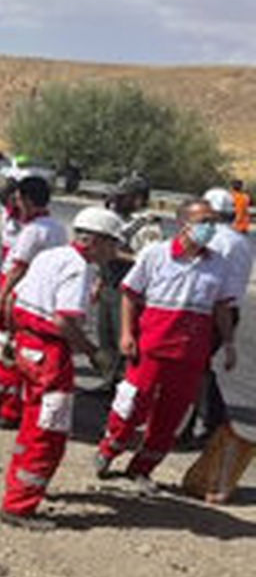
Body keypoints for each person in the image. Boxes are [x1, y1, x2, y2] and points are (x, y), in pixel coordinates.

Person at [95, 199, 238, 493]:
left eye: (214, 222)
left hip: (190, 354)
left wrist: (229, 343)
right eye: (205, 222)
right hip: (151, 347)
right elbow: (130, 295)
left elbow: (222, 308)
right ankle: (110, 450)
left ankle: (142, 469)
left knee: (171, 417)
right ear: (184, 224)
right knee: (132, 404)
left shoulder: (219, 264)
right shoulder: (155, 255)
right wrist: (126, 334)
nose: (211, 228)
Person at [0, 207, 121, 530]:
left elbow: (13, 299)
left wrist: (12, 339)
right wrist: (93, 352)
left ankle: (20, 487)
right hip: (49, 357)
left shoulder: (50, 256)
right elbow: (63, 320)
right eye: (111, 243)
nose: (114, 251)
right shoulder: (79, 268)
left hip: (27, 346)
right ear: (94, 241)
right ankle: (19, 506)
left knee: (31, 423)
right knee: (48, 431)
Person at [0, 176, 68, 428]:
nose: (16, 203)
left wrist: (0, 301)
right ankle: (13, 402)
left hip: (17, 295)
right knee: (23, 351)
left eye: (19, 198)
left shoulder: (34, 231)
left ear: (28, 200)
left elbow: (17, 269)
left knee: (6, 352)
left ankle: (9, 410)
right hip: (36, 297)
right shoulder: (57, 227)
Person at [194, 187, 254, 438]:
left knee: (196, 367)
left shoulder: (216, 239)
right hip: (230, 309)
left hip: (214, 310)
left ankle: (213, 420)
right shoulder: (241, 240)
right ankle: (212, 420)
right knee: (199, 366)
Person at [96, 175, 163, 387]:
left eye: (122, 197)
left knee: (122, 338)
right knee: (105, 337)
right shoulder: (119, 221)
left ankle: (127, 386)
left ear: (137, 199)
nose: (116, 201)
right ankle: (109, 381)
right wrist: (99, 280)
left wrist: (117, 255)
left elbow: (149, 260)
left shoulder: (147, 226)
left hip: (127, 289)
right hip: (109, 283)